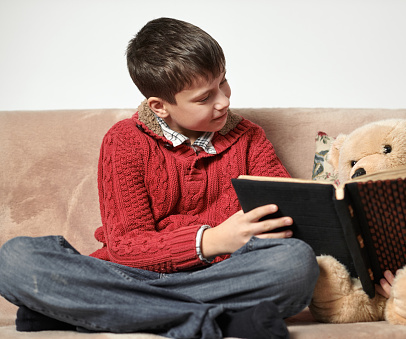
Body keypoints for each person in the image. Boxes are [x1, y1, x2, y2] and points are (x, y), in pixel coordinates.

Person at [0, 17, 319, 339]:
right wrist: (212, 240)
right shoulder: (124, 141)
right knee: (15, 260)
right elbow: (126, 247)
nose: (223, 101)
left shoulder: (249, 137)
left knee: (294, 264)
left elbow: (283, 216)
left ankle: (90, 310)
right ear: (160, 106)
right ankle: (218, 321)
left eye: (223, 82)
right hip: (127, 273)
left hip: (221, 274)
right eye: (204, 97)